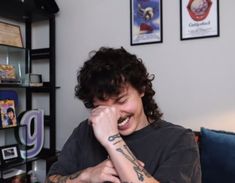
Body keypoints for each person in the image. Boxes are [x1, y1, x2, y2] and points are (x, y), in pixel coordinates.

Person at [46, 47, 201, 183]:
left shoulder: (180, 140)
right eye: (102, 107)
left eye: (121, 100)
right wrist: (86, 176)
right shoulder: (84, 131)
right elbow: (51, 179)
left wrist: (111, 139)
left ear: (141, 89)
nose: (115, 115)